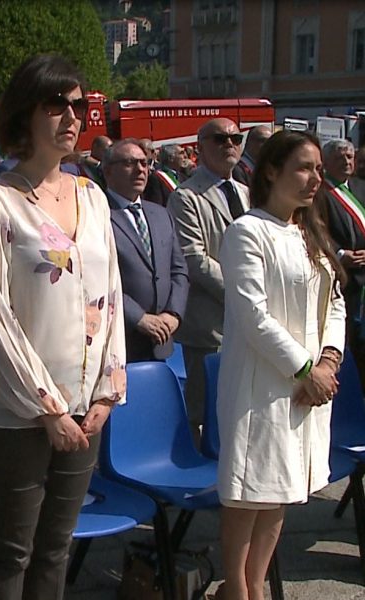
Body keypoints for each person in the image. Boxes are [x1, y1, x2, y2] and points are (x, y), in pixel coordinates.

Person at [0, 54, 126, 600]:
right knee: (12, 551)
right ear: (25, 113)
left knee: (57, 547)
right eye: (56, 105)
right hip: (12, 412)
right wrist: (47, 408)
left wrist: (108, 391)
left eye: (79, 106)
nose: (72, 117)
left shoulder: (93, 196)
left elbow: (111, 297)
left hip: (85, 407)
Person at [216, 130, 345, 600]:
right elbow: (253, 316)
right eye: (304, 168)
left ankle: (255, 585)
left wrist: (328, 360)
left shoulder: (309, 232)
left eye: (318, 170)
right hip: (261, 387)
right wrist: (306, 370)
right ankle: (237, 588)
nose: (315, 179)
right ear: (271, 171)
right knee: (250, 491)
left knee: (281, 491)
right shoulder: (247, 232)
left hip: (305, 388)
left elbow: (334, 303)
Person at [167, 117, 249, 441]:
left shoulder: (247, 192)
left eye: (235, 138)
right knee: (204, 413)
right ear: (199, 148)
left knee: (240, 410)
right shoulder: (186, 196)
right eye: (219, 138)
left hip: (250, 320)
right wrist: (242, 294)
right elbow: (194, 259)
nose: (229, 144)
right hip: (211, 323)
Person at [103, 139, 188, 362]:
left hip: (162, 340)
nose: (140, 169)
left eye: (144, 163)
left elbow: (178, 270)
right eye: (129, 163)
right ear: (108, 171)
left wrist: (173, 314)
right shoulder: (97, 215)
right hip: (120, 342)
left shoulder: (160, 214)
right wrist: (139, 318)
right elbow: (98, 278)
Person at [321, 139, 365, 377]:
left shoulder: (360, 187)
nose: (346, 162)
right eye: (339, 158)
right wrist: (339, 254)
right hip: (343, 278)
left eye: (349, 157)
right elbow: (317, 230)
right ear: (326, 162)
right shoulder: (319, 193)